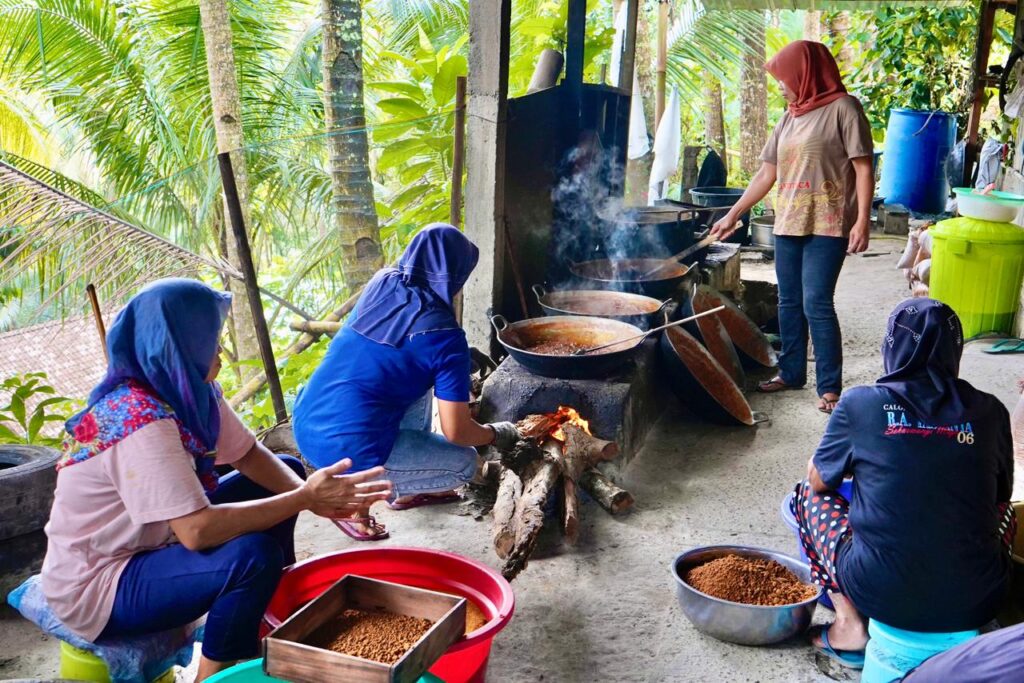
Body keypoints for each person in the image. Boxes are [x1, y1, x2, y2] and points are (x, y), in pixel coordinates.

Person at [40, 279, 392, 682]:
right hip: (101, 583)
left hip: (151, 539)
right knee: (253, 557)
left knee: (285, 472)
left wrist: (314, 498)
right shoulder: (138, 419)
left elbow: (247, 454)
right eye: (212, 340)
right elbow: (196, 531)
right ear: (178, 346)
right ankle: (215, 675)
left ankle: (268, 613)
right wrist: (304, 499)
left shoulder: (189, 389)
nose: (220, 351)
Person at [790, 298, 1015, 669]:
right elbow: (1001, 495)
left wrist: (834, 463)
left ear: (891, 346)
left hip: (876, 590)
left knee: (806, 495)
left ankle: (849, 624)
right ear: (954, 351)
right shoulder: (990, 410)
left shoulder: (861, 403)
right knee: (1006, 513)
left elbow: (819, 481)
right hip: (979, 597)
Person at [293, 224, 520, 540]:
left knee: (418, 379)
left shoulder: (382, 282)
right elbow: (457, 432)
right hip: (345, 451)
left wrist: (459, 359)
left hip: (308, 421)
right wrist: (495, 434)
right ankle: (353, 506)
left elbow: (401, 350)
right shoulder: (445, 336)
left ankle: (406, 491)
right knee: (466, 463)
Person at [711, 40, 875, 414]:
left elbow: (864, 168)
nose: (781, 87)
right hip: (788, 221)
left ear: (805, 74)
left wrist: (862, 220)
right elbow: (766, 173)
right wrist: (734, 214)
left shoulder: (844, 109)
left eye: (784, 79)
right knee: (788, 302)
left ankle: (829, 388)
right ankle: (791, 373)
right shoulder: (789, 117)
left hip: (828, 222)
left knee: (817, 302)